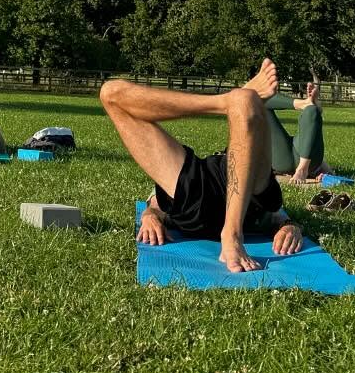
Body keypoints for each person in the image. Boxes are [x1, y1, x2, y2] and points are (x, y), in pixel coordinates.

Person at [99, 58, 305, 273]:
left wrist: (288, 226)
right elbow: (155, 203)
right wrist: (149, 215)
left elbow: (276, 214)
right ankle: (226, 102)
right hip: (197, 191)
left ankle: (233, 234)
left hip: (246, 196)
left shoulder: (241, 162)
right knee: (110, 92)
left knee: (246, 98)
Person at [268, 83, 327, 184]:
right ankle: (303, 103)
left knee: (311, 110)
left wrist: (326, 169)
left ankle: (302, 169)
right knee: (257, 98)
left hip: (308, 161)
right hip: (283, 159)